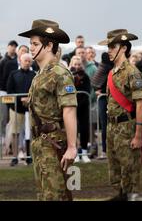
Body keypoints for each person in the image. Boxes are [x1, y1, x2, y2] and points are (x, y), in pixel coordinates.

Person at [18, 19, 78, 200]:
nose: (31, 48)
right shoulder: (40, 74)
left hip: (54, 144)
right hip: (41, 144)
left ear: (49, 45)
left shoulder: (59, 73)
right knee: (45, 195)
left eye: (35, 44)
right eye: (30, 44)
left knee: (56, 195)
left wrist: (72, 147)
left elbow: (69, 110)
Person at [98, 29, 142, 201]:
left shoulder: (132, 72)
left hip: (127, 129)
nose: (109, 50)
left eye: (113, 46)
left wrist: (138, 135)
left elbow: (140, 105)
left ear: (124, 48)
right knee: (116, 176)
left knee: (129, 177)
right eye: (108, 47)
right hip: (112, 129)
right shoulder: (111, 73)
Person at [6, 53, 36, 166]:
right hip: (16, 108)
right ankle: (14, 157)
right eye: (25, 61)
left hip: (30, 108)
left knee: (30, 132)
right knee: (15, 133)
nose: (27, 63)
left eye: (29, 61)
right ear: (20, 61)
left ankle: (29, 156)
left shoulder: (34, 74)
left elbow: (36, 91)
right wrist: (21, 99)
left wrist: (29, 99)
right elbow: (10, 90)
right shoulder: (14, 74)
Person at [91, 52, 114, 158]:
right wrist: (97, 90)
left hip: (112, 98)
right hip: (103, 98)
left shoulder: (113, 67)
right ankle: (105, 150)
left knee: (113, 124)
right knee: (105, 125)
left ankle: (111, 149)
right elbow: (95, 82)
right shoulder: (105, 66)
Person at [69, 56, 92, 163]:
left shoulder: (85, 76)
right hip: (71, 107)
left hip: (83, 106)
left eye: (79, 64)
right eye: (75, 64)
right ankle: (76, 152)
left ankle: (84, 151)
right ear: (71, 64)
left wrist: (80, 102)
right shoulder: (68, 75)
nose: (77, 66)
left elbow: (87, 91)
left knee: (84, 129)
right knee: (73, 129)